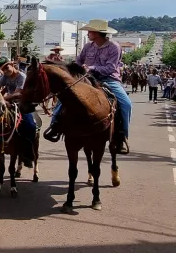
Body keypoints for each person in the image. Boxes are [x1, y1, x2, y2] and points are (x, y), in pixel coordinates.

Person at [46, 19, 131, 153]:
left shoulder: (114, 47)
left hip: (108, 79)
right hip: (86, 78)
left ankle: (121, 136)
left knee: (126, 103)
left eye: (90, 31)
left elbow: (110, 68)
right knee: (65, 96)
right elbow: (79, 62)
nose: (87, 33)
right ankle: (55, 126)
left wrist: (90, 67)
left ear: (98, 33)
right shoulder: (88, 46)